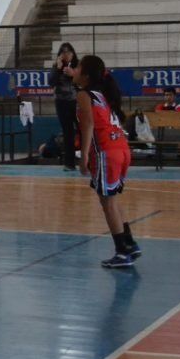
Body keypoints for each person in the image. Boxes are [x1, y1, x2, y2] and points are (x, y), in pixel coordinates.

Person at [72, 54, 141, 268]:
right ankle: (129, 243)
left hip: (106, 151)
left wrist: (83, 155)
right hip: (121, 149)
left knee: (108, 203)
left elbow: (88, 125)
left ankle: (122, 252)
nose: (74, 69)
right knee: (111, 200)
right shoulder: (101, 93)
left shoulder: (84, 94)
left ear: (86, 75)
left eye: (78, 67)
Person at [49, 42, 79, 171]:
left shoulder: (78, 65)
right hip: (61, 102)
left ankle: (88, 160)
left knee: (83, 130)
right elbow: (51, 82)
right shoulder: (56, 66)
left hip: (77, 102)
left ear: (73, 53)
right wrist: (58, 68)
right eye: (63, 52)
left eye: (68, 52)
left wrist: (74, 74)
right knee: (68, 132)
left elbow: (85, 82)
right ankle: (69, 163)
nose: (66, 55)